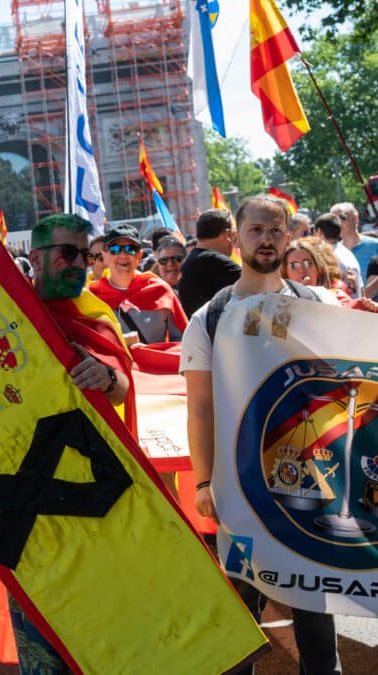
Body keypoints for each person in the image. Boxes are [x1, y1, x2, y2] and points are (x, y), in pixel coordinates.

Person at [182, 194, 341, 675]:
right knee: (241, 606)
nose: (266, 240)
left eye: (276, 230)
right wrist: (205, 481)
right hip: (239, 484)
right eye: (256, 230)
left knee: (315, 602)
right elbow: (201, 408)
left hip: (312, 481)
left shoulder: (321, 304)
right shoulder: (208, 318)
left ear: (289, 235)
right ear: (237, 235)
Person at [13, 214, 133, 673]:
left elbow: (124, 386)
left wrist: (107, 377)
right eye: (67, 253)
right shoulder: (5, 308)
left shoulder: (96, 315)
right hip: (29, 495)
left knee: (104, 630)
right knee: (41, 638)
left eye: (86, 254)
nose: (79, 263)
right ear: (36, 258)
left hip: (92, 493)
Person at [89, 223, 187, 344]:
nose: (123, 254)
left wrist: (149, 352)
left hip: (154, 362)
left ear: (139, 256)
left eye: (130, 249)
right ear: (104, 256)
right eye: (115, 249)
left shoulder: (160, 290)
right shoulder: (92, 296)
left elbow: (184, 341)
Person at [283, 237, 377, 311]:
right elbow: (278, 331)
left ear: (318, 268)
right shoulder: (280, 300)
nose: (302, 270)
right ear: (285, 272)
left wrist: (370, 308)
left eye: (308, 263)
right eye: (294, 265)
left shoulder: (334, 296)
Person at [178, 209, 241, 316]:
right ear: (227, 234)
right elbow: (260, 285)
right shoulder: (218, 263)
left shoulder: (188, 263)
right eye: (233, 234)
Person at [312, 213, 361, 297]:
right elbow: (361, 289)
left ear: (319, 232)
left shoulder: (325, 257)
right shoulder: (348, 253)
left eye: (314, 232)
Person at [332, 201, 378, 288]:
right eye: (334, 220)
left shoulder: (375, 246)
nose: (338, 224)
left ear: (355, 218)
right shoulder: (331, 252)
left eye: (342, 218)